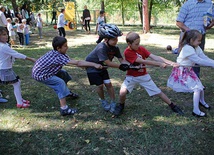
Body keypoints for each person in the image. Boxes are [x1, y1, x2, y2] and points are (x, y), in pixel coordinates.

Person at [113, 32, 184, 116]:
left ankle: (173, 105)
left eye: (139, 43)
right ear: (129, 44)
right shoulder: (127, 52)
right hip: (131, 76)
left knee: (158, 91)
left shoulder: (141, 49)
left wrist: (171, 63)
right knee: (122, 92)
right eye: (136, 44)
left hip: (143, 76)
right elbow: (143, 61)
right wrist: (159, 64)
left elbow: (155, 57)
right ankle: (121, 105)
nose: (138, 45)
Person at [32, 36, 103, 116]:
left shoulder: (58, 53)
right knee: (60, 83)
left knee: (63, 73)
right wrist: (94, 65)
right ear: (58, 48)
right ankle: (64, 109)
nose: (67, 47)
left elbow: (73, 62)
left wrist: (84, 66)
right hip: (40, 74)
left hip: (44, 71)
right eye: (65, 46)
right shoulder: (58, 57)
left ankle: (67, 93)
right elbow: (78, 63)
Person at [167, 30, 213, 117]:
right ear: (192, 40)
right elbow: (198, 60)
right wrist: (212, 64)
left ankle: (202, 101)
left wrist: (213, 62)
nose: (200, 42)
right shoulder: (187, 48)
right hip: (182, 71)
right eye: (198, 40)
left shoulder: (196, 47)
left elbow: (203, 57)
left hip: (188, 70)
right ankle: (195, 111)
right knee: (197, 88)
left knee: (200, 86)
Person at [85, 24, 130, 114]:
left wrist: (129, 65)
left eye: (116, 38)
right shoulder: (101, 48)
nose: (116, 41)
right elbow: (108, 63)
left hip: (102, 67)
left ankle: (113, 101)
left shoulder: (115, 48)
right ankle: (103, 101)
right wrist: (120, 66)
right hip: (92, 67)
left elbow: (121, 60)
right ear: (106, 39)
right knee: (100, 86)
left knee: (108, 84)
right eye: (113, 39)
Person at [175, 0, 214, 78]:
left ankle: (195, 79)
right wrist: (190, 32)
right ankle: (182, 79)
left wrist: (209, 25)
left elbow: (213, 19)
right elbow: (179, 22)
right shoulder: (188, 4)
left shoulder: (210, 4)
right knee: (185, 61)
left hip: (200, 35)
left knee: (197, 60)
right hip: (188, 35)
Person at [0, 26, 36, 108]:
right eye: (3, 35)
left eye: (6, 34)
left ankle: (20, 100)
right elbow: (16, 54)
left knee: (17, 82)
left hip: (5, 68)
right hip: (4, 69)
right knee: (16, 83)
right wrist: (31, 59)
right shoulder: (3, 46)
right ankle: (19, 102)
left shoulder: (4, 45)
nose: (6, 36)